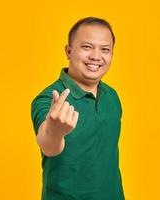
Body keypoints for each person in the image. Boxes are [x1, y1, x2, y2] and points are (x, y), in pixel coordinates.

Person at [31, 16, 125, 200]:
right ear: (68, 51)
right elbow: (48, 145)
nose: (96, 56)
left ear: (112, 55)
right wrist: (54, 131)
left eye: (105, 50)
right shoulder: (49, 99)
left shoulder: (112, 97)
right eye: (86, 47)